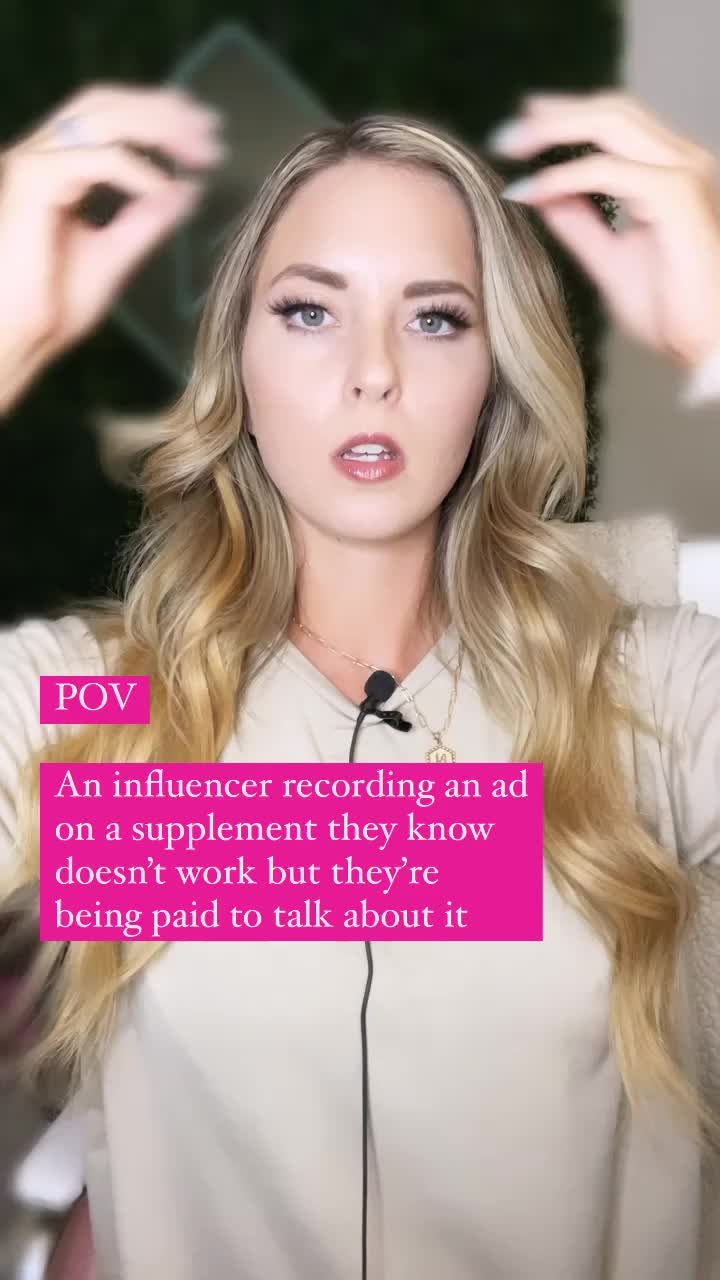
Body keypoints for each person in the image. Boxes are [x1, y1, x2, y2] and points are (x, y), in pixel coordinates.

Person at [0, 80, 718, 1280]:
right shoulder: (109, 703)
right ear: (237, 361)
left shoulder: (646, 695)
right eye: (308, 311)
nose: (372, 371)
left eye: (436, 318)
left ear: (497, 371)